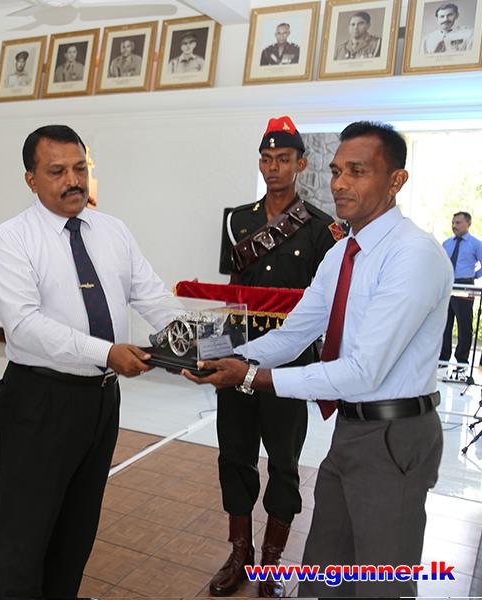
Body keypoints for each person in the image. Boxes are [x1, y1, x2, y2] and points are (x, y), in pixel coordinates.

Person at [185, 121, 452, 597]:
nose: (340, 183)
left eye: (357, 171)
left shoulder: (413, 255)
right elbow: (294, 334)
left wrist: (253, 377)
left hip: (395, 435)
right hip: (349, 429)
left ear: (396, 180)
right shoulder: (343, 252)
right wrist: (220, 357)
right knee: (325, 577)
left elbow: (363, 371)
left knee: (380, 585)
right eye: (336, 171)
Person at [0, 125, 172, 598]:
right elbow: (24, 325)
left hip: (101, 401)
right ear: (31, 179)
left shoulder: (113, 231)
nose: (73, 181)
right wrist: (105, 352)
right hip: (38, 401)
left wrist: (201, 344)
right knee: (24, 534)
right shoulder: (11, 239)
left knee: (77, 529)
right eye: (57, 172)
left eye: (79, 168)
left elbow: (153, 297)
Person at [210, 116, 338, 598]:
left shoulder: (322, 228)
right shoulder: (237, 220)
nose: (273, 167)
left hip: (290, 363)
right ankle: (239, 553)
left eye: (283, 159)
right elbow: (231, 292)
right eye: (266, 159)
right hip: (239, 353)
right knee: (234, 454)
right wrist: (216, 351)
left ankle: (271, 562)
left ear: (301, 164)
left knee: (283, 462)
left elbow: (325, 306)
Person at [439, 211, 482, 371]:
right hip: (447, 285)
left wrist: (473, 275)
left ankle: (462, 361)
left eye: (458, 223)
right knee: (445, 323)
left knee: (464, 325)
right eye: (453, 222)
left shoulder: (476, 244)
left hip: (464, 285)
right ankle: (443, 358)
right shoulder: (446, 243)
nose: (454, 226)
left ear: (468, 224)